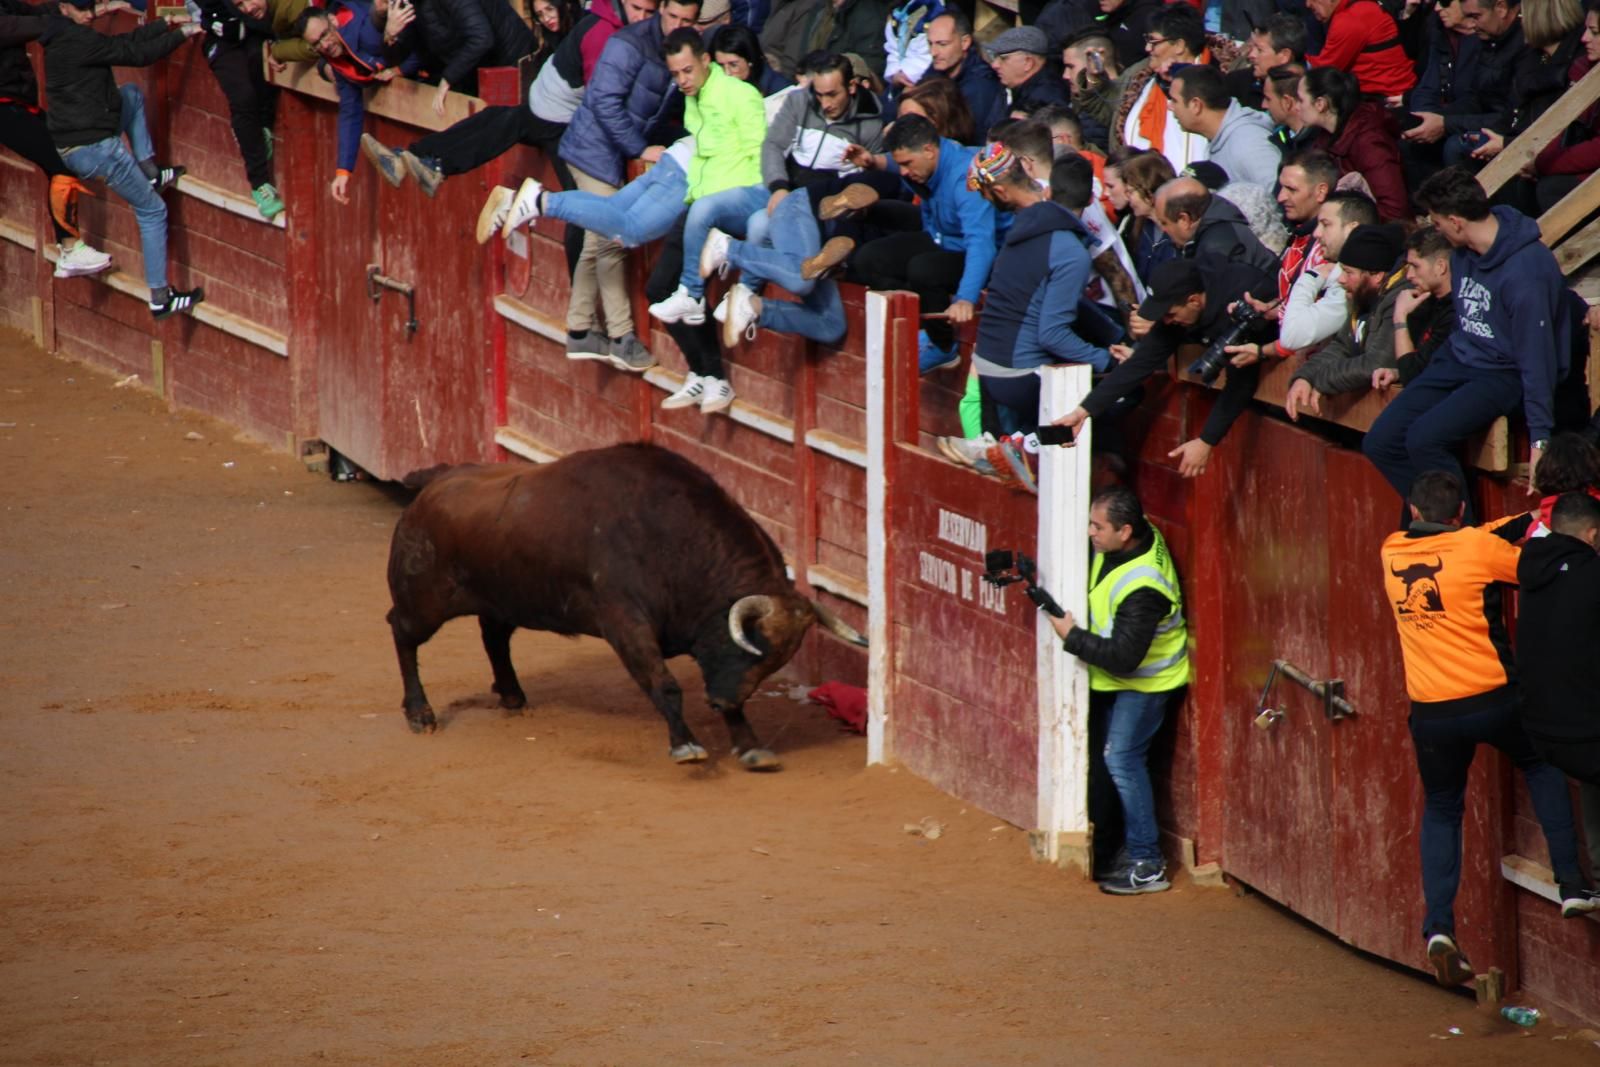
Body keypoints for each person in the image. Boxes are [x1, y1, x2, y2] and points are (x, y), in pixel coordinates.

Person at [1379, 470, 1597, 988]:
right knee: (1540, 764)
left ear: (1414, 513)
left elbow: (1470, 539)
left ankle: (1438, 926)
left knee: (1441, 809)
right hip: (1493, 699)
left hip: (1431, 711)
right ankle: (1572, 883)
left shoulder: (1390, 551)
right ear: (1460, 515)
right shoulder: (1477, 548)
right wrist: (1538, 520)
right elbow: (1532, 562)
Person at [1363, 167, 1568, 520]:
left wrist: (1540, 439)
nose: (1435, 229)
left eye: (1438, 222)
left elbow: (1537, 360)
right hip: (1459, 357)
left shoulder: (1526, 271)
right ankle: (1431, 518)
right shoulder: (1462, 253)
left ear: (1456, 222)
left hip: (1504, 373)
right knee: (1380, 442)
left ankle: (1460, 536)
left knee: (1424, 439)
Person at [1048, 485, 1189, 895]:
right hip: (1123, 681)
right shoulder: (1135, 540)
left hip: (1145, 684)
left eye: (1098, 526)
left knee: (1121, 760)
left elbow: (1126, 656)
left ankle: (1148, 864)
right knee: (1112, 761)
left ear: (1125, 531)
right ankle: (1125, 852)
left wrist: (1071, 636)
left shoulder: (1143, 587)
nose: (1090, 533)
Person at [363, 0, 648, 201]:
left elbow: (605, 100)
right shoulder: (584, 30)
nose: (547, 17)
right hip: (558, 115)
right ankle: (421, 159)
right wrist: (388, 32)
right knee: (502, 117)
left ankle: (427, 162)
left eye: (550, 8)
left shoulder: (597, 30)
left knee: (579, 211)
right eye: (540, 14)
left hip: (575, 127)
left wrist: (635, 146)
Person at [554, 0, 703, 367]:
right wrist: (639, 148)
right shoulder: (630, 43)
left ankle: (579, 332)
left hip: (610, 153)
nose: (677, 25)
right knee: (610, 239)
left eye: (687, 20)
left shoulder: (679, 53)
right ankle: (621, 336)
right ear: (663, 9)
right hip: (594, 150)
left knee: (597, 240)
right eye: (672, 17)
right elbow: (603, 101)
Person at [44, 0, 203, 319]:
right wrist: (185, 31)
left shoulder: (58, 38)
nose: (88, 14)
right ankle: (160, 298)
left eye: (90, 6)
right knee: (152, 209)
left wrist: (162, 25)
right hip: (96, 147)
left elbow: (122, 44)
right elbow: (137, 55)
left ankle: (150, 172)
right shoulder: (78, 39)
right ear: (64, 9)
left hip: (75, 144)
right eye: (81, 8)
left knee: (129, 95)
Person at [1052, 255, 1277, 478]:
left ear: (1194, 301)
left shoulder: (1243, 297)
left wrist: (1207, 440)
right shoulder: (1179, 312)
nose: (1167, 321)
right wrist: (1083, 412)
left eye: (1170, 314)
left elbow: (1242, 382)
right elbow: (1139, 364)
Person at [637, 28, 769, 327]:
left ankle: (692, 295)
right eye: (676, 74)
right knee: (697, 211)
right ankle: (693, 305)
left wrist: (747, 197)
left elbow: (758, 154)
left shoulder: (740, 94)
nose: (682, 80)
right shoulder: (695, 98)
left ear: (706, 61)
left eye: (687, 70)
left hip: (749, 192)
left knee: (703, 209)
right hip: (711, 195)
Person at [847, 114, 996, 372]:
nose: (903, 172)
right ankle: (920, 328)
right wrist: (875, 162)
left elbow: (981, 244)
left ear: (929, 150)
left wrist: (965, 299)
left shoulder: (966, 180)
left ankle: (942, 346)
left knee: (923, 269)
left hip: (981, 254)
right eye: (901, 164)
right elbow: (897, 163)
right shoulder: (928, 159)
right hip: (942, 238)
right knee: (868, 259)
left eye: (907, 164)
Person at [1518, 490, 1600, 882]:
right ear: (1594, 535)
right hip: (1582, 732)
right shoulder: (1592, 575)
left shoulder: (1530, 569)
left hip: (1540, 730)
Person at [0, 2, 111, 277]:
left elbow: (23, 13)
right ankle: (70, 248)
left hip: (14, 102)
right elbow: (8, 26)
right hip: (4, 106)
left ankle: (70, 248)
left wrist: (64, 9)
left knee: (62, 154)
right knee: (61, 157)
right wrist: (57, 21)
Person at [296, 2, 418, 208]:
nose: (324, 45)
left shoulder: (365, 34)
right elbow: (350, 111)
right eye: (317, 44)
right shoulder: (337, 59)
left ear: (333, 21)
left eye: (325, 34)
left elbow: (421, 47)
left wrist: (400, 69)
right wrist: (343, 171)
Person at [1283, 223, 1408, 420]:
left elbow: (1376, 362)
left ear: (1376, 275)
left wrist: (1320, 380)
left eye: (1348, 272)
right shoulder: (1363, 294)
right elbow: (1342, 346)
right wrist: (1304, 377)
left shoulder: (1399, 297)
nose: (1340, 280)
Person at [188, 0, 285, 218]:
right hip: (222, 40)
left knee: (261, 66)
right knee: (243, 96)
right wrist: (212, 22)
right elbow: (209, 12)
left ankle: (262, 128)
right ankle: (260, 184)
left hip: (255, 32)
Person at [1295, 66, 1409, 222]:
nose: (1296, 107)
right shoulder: (1324, 138)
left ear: (1320, 104)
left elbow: (1394, 211)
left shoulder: (1369, 143)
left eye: (1301, 100)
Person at [1166, 63, 1279, 189]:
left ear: (1195, 105)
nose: (1169, 107)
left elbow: (1280, 198)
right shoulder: (1223, 137)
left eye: (1174, 101)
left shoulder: (1248, 143)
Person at [412, 0, 534, 111]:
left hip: (512, 58)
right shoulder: (417, 5)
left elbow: (481, 38)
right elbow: (426, 42)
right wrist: (392, 35)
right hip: (485, 61)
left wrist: (448, 78)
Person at [1377, 224, 1456, 390]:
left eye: (1416, 266)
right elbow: (1416, 367)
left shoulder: (1455, 314)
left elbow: (1411, 377)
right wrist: (1397, 372)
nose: (1409, 275)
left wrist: (1400, 319)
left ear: (1440, 267)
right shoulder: (1426, 303)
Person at [1151, 175, 1278, 278]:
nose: (1162, 229)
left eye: (1164, 223)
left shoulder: (1217, 250)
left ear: (1184, 219)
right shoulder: (1214, 228)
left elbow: (1216, 304)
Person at [916, 9, 1004, 134]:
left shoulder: (981, 84)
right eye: (930, 44)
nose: (933, 52)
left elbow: (970, 136)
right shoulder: (940, 66)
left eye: (942, 44)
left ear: (965, 42)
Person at [1306, 0, 1417, 99]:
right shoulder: (1362, 7)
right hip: (1390, 93)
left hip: (1385, 99)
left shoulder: (1350, 19)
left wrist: (1295, 62)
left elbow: (1324, 71)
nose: (1307, 4)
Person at [988, 25, 1070, 116]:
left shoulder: (1045, 100)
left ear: (1028, 63)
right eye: (995, 57)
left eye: (1003, 59)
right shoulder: (1024, 90)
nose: (994, 65)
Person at [1227, 11, 1304, 109]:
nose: (1251, 55)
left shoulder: (1308, 94)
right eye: (1252, 47)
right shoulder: (1236, 83)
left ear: (1284, 56)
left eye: (1260, 50)